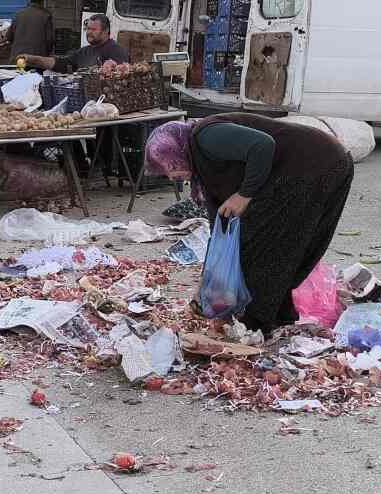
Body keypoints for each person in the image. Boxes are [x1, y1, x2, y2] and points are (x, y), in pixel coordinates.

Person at [145, 113, 355, 333]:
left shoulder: (206, 136)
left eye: (168, 165)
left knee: (266, 246)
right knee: (274, 246)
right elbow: (219, 227)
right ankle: (275, 316)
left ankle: (254, 324)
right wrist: (207, 278)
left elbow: (262, 145)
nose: (170, 175)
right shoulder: (202, 168)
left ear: (176, 150)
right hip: (306, 170)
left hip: (316, 164)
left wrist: (244, 195)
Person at [17, 14, 127, 73]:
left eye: (93, 29)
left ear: (106, 31)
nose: (89, 32)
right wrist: (34, 60)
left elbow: (121, 74)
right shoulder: (84, 51)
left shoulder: (116, 50)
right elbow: (63, 63)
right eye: (88, 29)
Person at [7, 0, 54, 66]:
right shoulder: (46, 16)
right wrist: (46, 56)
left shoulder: (19, 14)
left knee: (19, 76)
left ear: (30, 0)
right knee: (36, 77)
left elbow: (9, 37)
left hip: (19, 59)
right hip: (37, 61)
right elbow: (49, 40)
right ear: (42, 2)